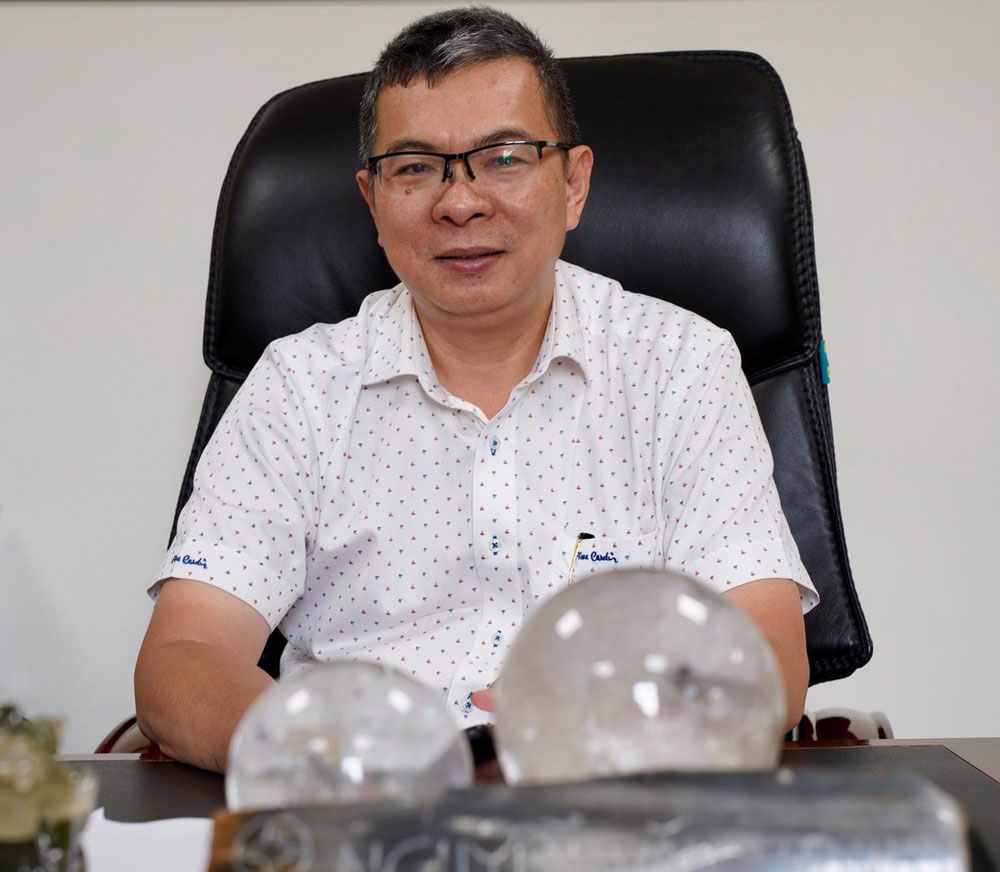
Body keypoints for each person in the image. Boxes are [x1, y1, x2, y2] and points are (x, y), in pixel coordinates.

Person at [135, 6, 817, 775]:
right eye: (415, 167)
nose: (459, 202)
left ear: (573, 183)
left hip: (615, 799)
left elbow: (766, 654)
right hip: (363, 805)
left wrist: (610, 729)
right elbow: (182, 659)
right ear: (373, 200)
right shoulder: (299, 388)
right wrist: (333, 754)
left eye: (504, 158)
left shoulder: (679, 365)